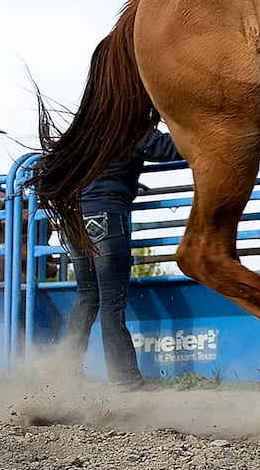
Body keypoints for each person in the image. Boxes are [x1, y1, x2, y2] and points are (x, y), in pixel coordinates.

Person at [62, 125, 182, 391]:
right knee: (112, 302)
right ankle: (125, 380)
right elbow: (172, 148)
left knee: (87, 298)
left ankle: (63, 374)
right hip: (105, 215)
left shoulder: (91, 131)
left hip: (74, 218)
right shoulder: (128, 127)